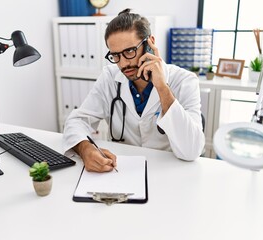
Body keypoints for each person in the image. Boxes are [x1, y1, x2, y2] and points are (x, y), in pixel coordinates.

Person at [63, 9, 205, 172]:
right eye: (115, 55)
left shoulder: (184, 81)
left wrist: (162, 87)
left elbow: (192, 151)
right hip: (120, 171)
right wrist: (85, 149)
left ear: (150, 44)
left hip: (168, 173)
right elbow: (77, 121)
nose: (123, 64)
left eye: (129, 51)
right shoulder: (110, 77)